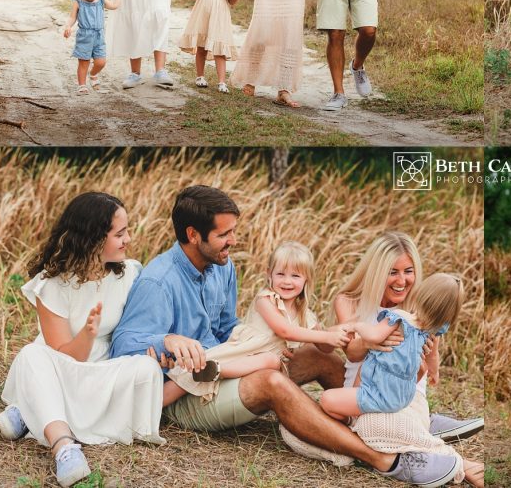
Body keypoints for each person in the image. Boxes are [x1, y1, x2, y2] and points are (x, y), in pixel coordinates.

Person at [110, 186, 460, 486]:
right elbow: (123, 347)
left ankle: (400, 421)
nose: (234, 240)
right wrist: (167, 341)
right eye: (224, 234)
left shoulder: (221, 265)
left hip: (222, 367)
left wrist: (269, 345)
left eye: (234, 231)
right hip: (187, 393)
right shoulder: (160, 281)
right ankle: (384, 459)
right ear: (192, 235)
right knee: (270, 381)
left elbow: (225, 329)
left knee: (316, 356)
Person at [0, 192, 164, 488]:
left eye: (127, 231)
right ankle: (64, 447)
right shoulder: (52, 285)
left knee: (146, 370)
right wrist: (87, 333)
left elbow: (140, 329)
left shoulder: (131, 273)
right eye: (120, 234)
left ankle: (31, 411)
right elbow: (66, 355)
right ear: (93, 239)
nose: (128, 239)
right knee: (31, 356)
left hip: (102, 374)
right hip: (60, 367)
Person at [333, 231, 485, 443]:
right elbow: (351, 354)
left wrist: (428, 368)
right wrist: (371, 341)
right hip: (365, 388)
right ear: (376, 271)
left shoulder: (420, 308)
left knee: (383, 427)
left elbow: (431, 356)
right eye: (392, 272)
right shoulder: (349, 302)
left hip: (407, 392)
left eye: (408, 271)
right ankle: (429, 431)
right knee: (367, 427)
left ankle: (427, 428)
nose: (402, 281)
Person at [162, 241, 354, 404]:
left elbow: (324, 348)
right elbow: (285, 331)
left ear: (307, 279)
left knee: (271, 360)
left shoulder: (306, 315)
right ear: (269, 274)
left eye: (295, 276)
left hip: (261, 364)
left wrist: (336, 335)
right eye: (281, 274)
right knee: (183, 380)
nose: (287, 281)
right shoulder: (266, 299)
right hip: (242, 352)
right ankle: (149, 410)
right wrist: (326, 335)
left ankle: (216, 371)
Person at [321, 273, 464, 421]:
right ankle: (356, 409)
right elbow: (432, 357)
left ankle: (349, 419)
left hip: (379, 392)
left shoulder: (400, 318)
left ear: (420, 294)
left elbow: (373, 336)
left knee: (326, 399)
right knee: (365, 370)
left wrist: (356, 326)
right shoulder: (433, 332)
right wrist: (434, 373)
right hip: (403, 396)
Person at [177, 0, 239, 94]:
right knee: (201, 47)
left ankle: (222, 82)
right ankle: (200, 76)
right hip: (202, 16)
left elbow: (232, 2)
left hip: (220, 18)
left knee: (220, 49)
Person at [62, 0, 120, 95]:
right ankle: (82, 85)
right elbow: (73, 17)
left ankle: (93, 74)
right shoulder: (78, 2)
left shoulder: (101, 0)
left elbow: (114, 6)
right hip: (85, 36)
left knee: (101, 62)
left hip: (99, 36)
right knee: (84, 62)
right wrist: (68, 26)